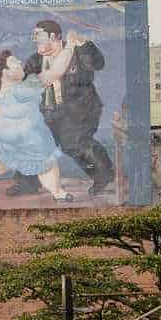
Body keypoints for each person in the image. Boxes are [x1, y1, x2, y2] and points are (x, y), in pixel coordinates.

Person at [22, 19, 114, 195]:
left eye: (39, 36)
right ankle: (28, 183)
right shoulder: (35, 60)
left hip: (80, 108)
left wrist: (84, 44)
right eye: (35, 36)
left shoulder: (77, 52)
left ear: (54, 37)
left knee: (74, 143)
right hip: (48, 110)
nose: (36, 40)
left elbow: (99, 64)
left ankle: (104, 174)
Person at [0, 50, 72, 202]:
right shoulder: (24, 88)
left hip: (3, 131)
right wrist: (70, 46)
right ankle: (58, 192)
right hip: (26, 132)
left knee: (5, 160)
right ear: (6, 72)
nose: (20, 63)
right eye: (14, 62)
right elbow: (56, 72)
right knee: (45, 160)